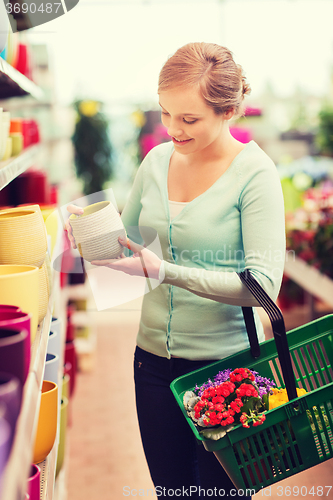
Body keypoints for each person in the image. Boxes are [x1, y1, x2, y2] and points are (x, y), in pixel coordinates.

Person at [66, 42, 285, 499]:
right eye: (165, 114)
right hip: (152, 364)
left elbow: (262, 287)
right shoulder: (155, 162)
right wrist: (87, 244)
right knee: (173, 493)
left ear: (228, 110)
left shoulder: (255, 174)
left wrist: (168, 271)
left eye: (189, 119)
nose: (172, 130)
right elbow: (126, 248)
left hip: (226, 373)